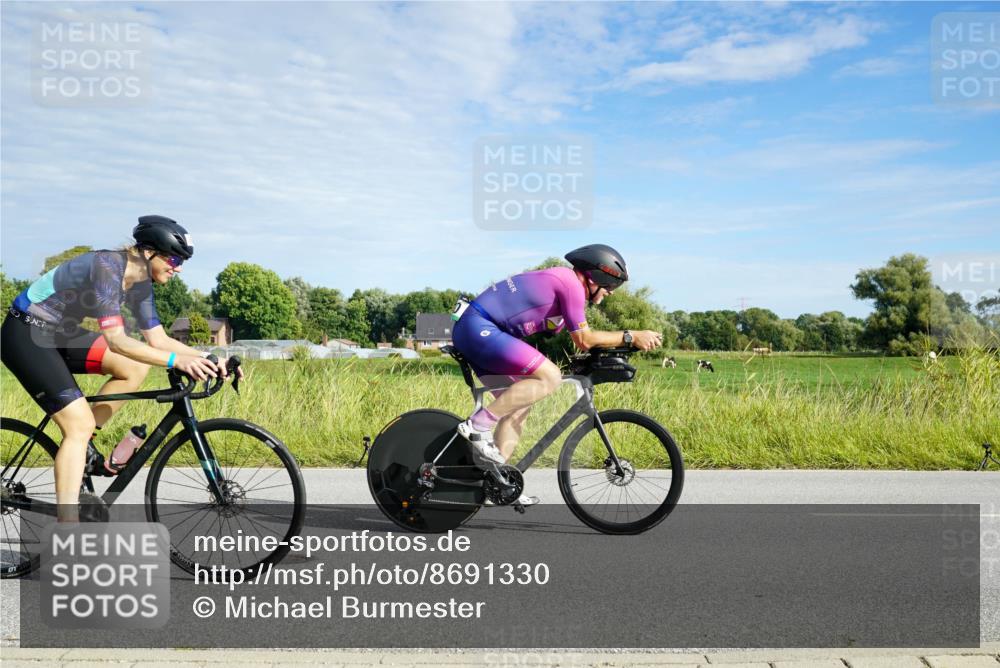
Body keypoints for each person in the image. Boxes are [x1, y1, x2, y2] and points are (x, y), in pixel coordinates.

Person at [1, 215, 239, 521]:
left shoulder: (140, 283)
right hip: (26, 334)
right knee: (77, 426)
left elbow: (158, 339)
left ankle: (85, 446)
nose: (178, 268)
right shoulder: (107, 267)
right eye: (174, 259)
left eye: (182, 262)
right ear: (149, 252)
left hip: (60, 333)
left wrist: (209, 358)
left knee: (134, 367)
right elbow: (116, 340)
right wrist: (176, 361)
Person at [451, 244, 663, 505]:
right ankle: (477, 425)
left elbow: (574, 335)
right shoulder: (570, 283)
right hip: (479, 327)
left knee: (519, 405)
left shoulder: (564, 286)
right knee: (550, 376)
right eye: (610, 285)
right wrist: (631, 336)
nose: (610, 292)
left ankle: (497, 484)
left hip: (478, 330)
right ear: (596, 276)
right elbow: (584, 339)